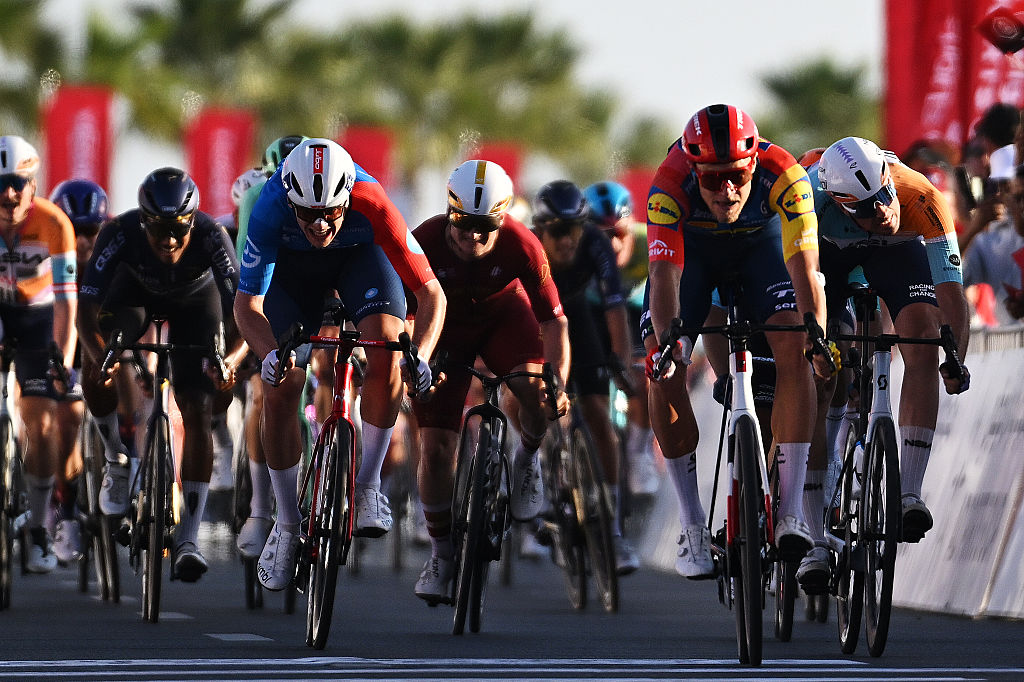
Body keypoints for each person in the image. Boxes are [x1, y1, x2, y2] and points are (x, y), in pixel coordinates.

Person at [233, 138, 445, 591]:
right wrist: (269, 355)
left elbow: (431, 294)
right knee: (282, 384)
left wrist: (422, 355)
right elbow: (246, 307)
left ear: (348, 195)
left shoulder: (374, 200)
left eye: (331, 211)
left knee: (389, 346)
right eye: (307, 213)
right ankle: (286, 525)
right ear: (289, 200)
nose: (321, 223)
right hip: (290, 275)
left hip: (358, 262)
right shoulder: (268, 207)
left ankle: (367, 486)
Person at [641, 104, 832, 579]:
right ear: (694, 170)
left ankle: (790, 512)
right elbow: (664, 276)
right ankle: (691, 525)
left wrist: (817, 334)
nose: (726, 189)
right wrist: (668, 345)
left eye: (737, 176)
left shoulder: (785, 174)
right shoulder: (668, 184)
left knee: (796, 347)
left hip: (761, 251)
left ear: (754, 164)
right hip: (694, 257)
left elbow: (807, 268)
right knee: (662, 368)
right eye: (712, 179)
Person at [798, 137, 972, 589]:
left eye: (883, 195)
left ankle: (909, 492)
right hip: (828, 256)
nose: (881, 211)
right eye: (865, 207)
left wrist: (955, 357)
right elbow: (802, 285)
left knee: (923, 336)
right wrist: (815, 343)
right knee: (816, 376)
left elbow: (951, 291)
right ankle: (814, 539)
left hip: (895, 253)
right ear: (839, 200)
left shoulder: (919, 195)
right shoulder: (810, 202)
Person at [78, 167, 248, 582]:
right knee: (96, 361)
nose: (169, 240)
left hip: (196, 304)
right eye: (158, 229)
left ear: (192, 221)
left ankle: (188, 537)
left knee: (198, 406)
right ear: (143, 221)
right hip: (133, 297)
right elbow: (86, 311)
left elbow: (243, 312)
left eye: (178, 229)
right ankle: (117, 457)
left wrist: (230, 361)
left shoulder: (212, 235)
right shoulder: (118, 233)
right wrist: (101, 357)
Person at [411, 159, 570, 603]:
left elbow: (554, 321)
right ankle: (442, 555)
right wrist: (415, 359)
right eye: (464, 224)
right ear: (449, 212)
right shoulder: (423, 240)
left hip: (504, 319)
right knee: (435, 448)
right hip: (443, 329)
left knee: (536, 392)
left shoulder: (523, 244)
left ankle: (527, 458)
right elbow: (400, 311)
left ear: (503, 219)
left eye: (486, 227)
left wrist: (558, 381)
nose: (474, 237)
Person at [532, 179, 638, 574]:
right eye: (558, 231)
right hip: (537, 322)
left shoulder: (594, 242)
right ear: (541, 230)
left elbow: (615, 307)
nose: (567, 240)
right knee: (543, 405)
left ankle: (613, 530)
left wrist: (621, 363)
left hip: (576, 317)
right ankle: (544, 481)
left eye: (574, 229)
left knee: (598, 414)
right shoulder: (529, 247)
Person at [0, 135, 76, 573]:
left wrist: (62, 358)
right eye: (0, 185)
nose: (9, 194)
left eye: (17, 184)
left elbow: (67, 301)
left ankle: (39, 529)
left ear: (33, 185)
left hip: (37, 319)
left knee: (42, 422)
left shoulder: (54, 223)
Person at [232, 134, 307, 562]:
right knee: (265, 393)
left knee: (332, 373)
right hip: (269, 292)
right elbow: (248, 275)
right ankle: (261, 509)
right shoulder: (257, 196)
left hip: (315, 293)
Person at [583, 180, 660, 497]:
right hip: (593, 312)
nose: (613, 245)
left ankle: (639, 451)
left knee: (644, 377)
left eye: (619, 234)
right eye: (602, 236)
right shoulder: (572, 249)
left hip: (634, 310)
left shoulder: (648, 240)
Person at [48, 179, 110, 563]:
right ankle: (66, 504)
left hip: (104, 340)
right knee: (67, 415)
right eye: (76, 231)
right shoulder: (49, 251)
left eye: (92, 230)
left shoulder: (118, 247)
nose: (84, 241)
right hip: (64, 341)